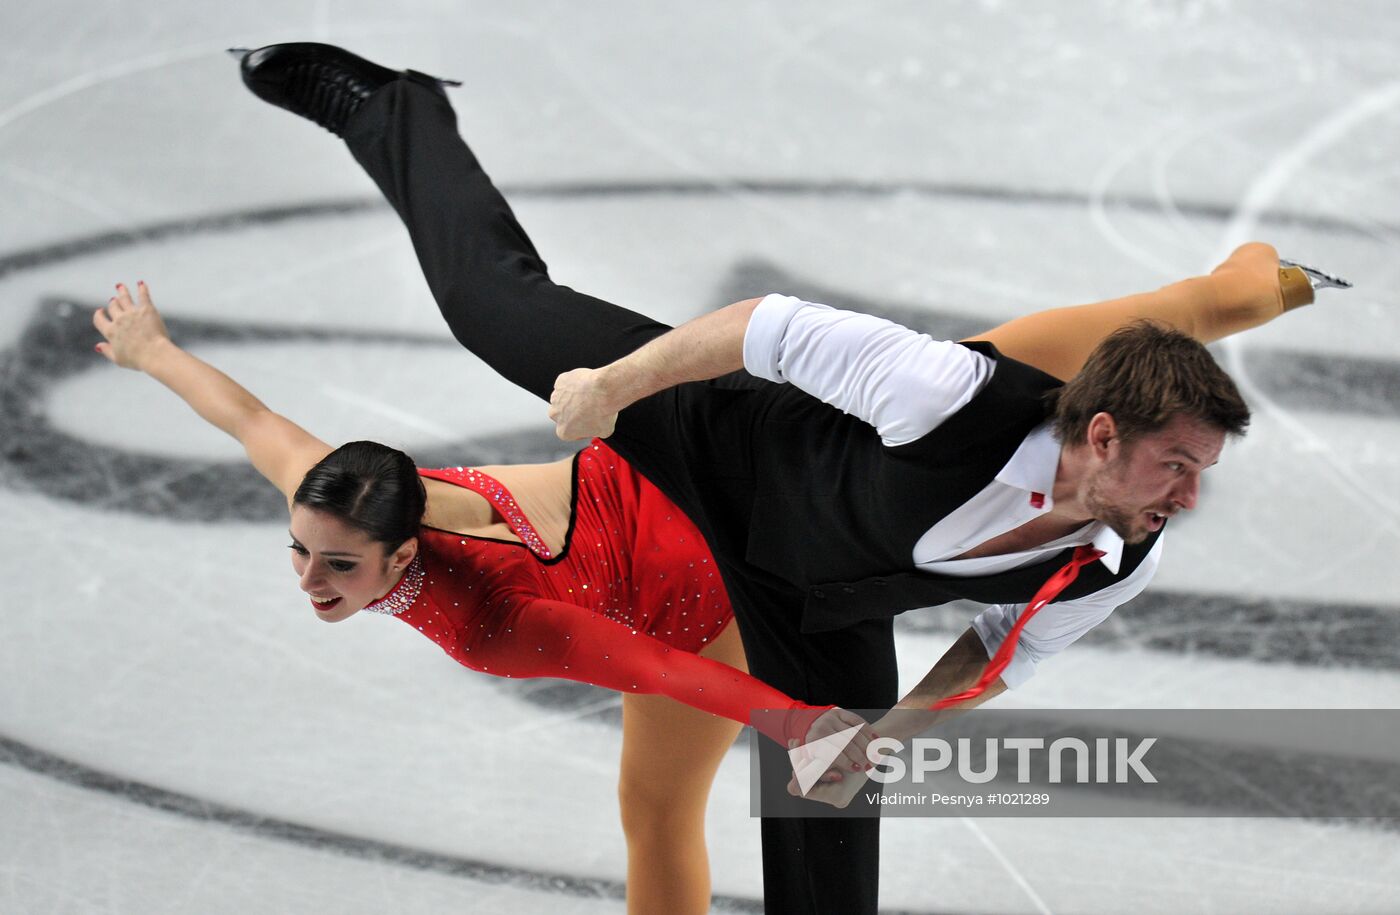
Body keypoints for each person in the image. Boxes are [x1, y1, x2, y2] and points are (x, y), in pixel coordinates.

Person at [228, 42, 1349, 915]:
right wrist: (612, 387)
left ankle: (1231, 296)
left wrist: (896, 726)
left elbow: (998, 656)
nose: (1187, 500)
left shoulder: (1109, 558)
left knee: (832, 810)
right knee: (492, 311)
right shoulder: (953, 396)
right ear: (1102, 440)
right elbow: (762, 327)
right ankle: (395, 110)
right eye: (1174, 467)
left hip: (810, 600)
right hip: (725, 445)